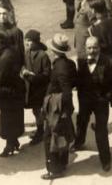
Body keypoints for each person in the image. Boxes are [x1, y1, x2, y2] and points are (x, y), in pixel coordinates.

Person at [73, 36, 112, 172]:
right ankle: (79, 142)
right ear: (85, 48)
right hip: (85, 99)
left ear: (99, 48)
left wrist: (107, 97)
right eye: (89, 48)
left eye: (94, 47)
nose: (92, 51)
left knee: (101, 130)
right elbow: (78, 79)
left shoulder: (110, 62)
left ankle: (105, 159)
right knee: (81, 121)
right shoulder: (81, 61)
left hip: (101, 102)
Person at [40, 34, 77, 180]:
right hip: (61, 106)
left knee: (50, 137)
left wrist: (62, 110)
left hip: (57, 106)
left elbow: (66, 90)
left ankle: (54, 170)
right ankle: (63, 162)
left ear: (53, 50)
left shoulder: (59, 66)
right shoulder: (69, 63)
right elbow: (73, 83)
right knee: (61, 134)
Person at [0, 31, 25, 157]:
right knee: (14, 117)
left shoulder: (6, 57)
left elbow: (1, 77)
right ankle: (14, 141)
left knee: (7, 120)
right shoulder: (10, 51)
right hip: (14, 89)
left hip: (7, 92)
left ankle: (9, 146)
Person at [21, 29, 51, 146]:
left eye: (29, 41)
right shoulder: (27, 53)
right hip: (30, 89)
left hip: (40, 89)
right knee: (35, 110)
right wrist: (23, 71)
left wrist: (35, 77)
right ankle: (40, 129)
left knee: (39, 111)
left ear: (36, 42)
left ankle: (41, 132)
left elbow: (47, 74)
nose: (27, 43)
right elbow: (22, 65)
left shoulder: (43, 56)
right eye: (26, 41)